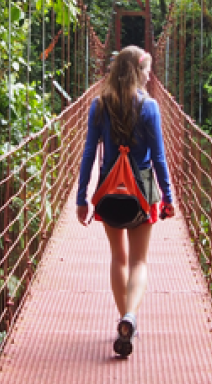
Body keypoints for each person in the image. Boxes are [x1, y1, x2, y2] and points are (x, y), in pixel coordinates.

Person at [76, 45, 175, 358]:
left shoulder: (99, 105)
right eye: (147, 70)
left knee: (118, 257)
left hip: (109, 191)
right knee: (139, 261)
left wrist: (82, 198)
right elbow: (158, 158)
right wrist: (169, 197)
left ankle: (123, 321)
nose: (150, 77)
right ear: (137, 71)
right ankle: (130, 316)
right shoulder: (149, 107)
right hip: (142, 193)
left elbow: (89, 154)